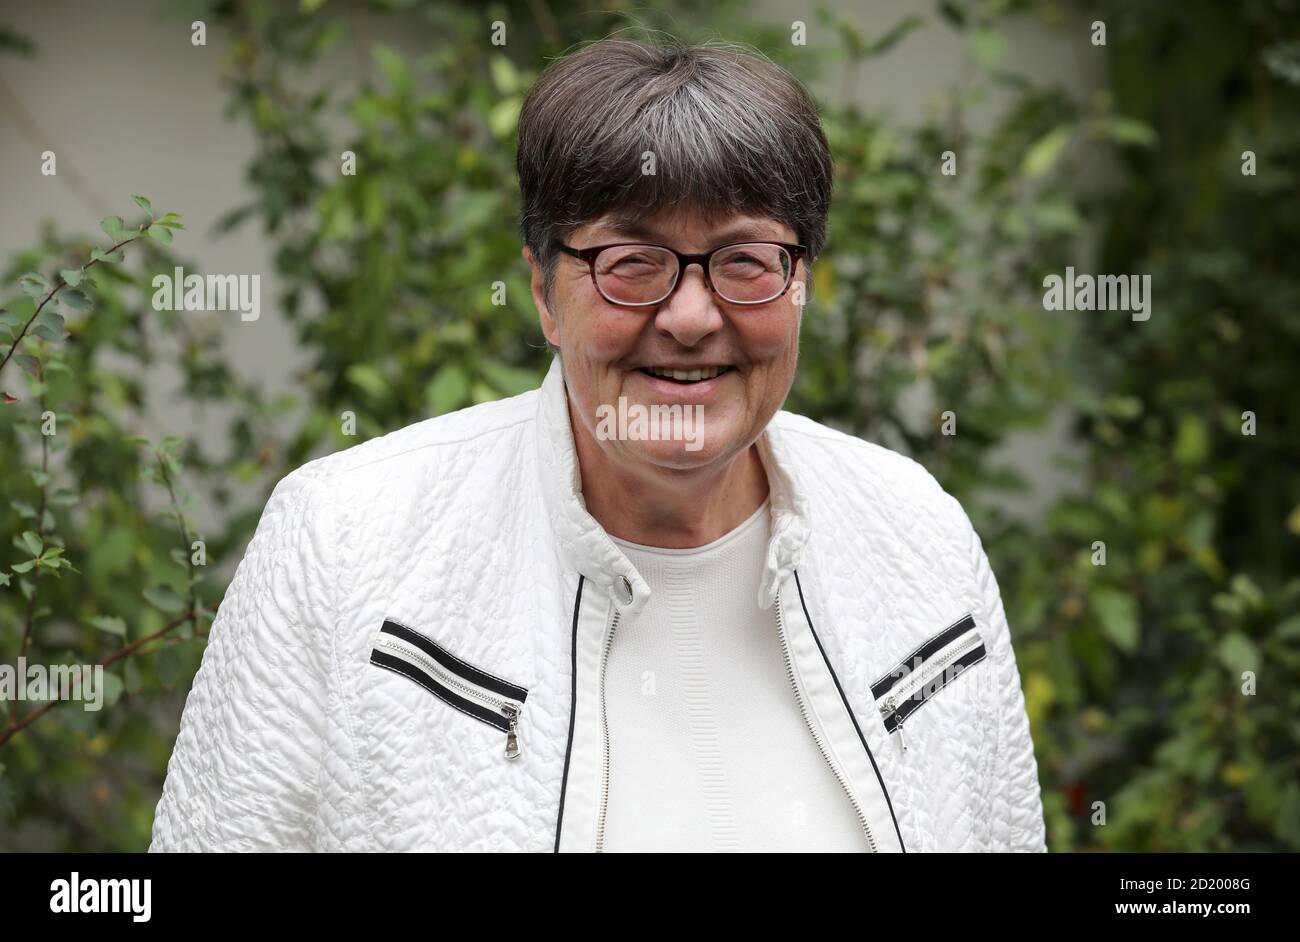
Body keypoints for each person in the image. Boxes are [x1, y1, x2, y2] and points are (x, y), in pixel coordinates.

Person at [149, 36, 1046, 853]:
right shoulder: (343, 547)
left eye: (744, 260)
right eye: (632, 264)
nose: (691, 317)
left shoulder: (920, 541)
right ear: (543, 291)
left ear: (801, 283)